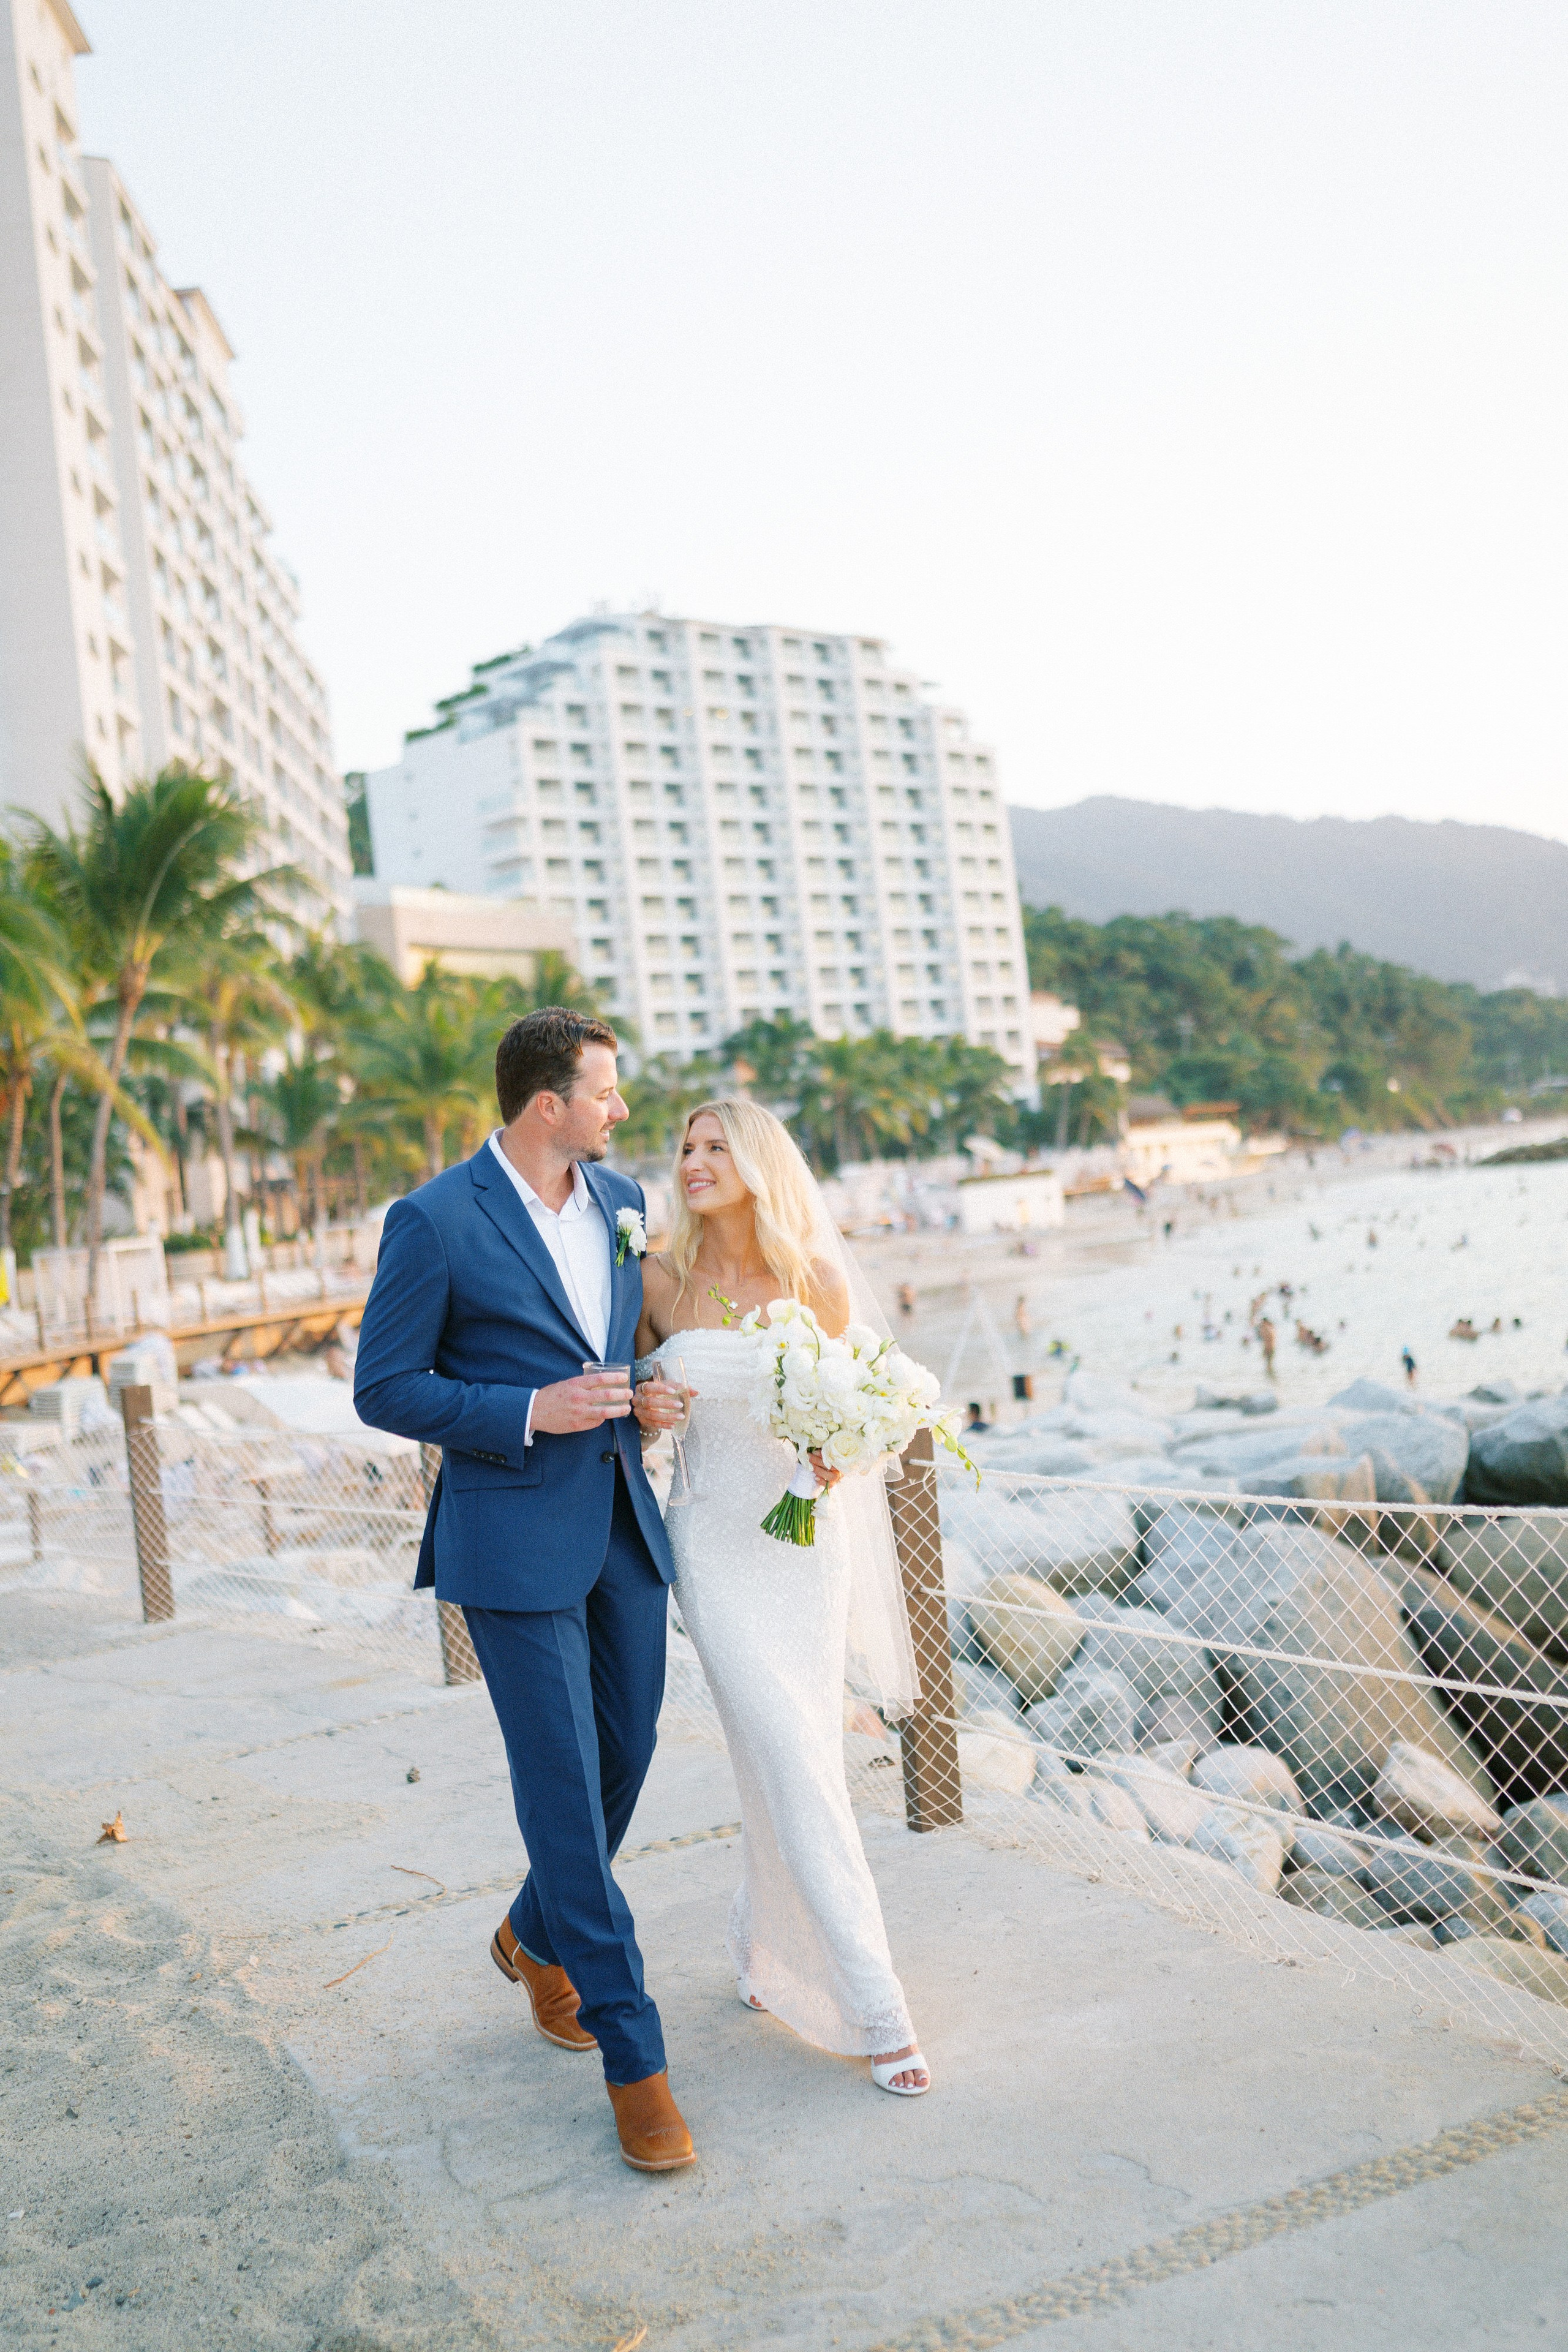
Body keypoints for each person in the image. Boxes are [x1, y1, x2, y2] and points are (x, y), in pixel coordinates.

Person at [353, 1009, 694, 2176]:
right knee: (559, 1784)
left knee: (629, 1749)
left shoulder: (624, 1200)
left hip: (616, 1521)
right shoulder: (436, 1219)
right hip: (506, 1536)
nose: (621, 1111)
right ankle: (633, 2058)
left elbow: (624, 1339)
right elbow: (385, 1387)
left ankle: (530, 1931)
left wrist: (643, 1391)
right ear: (548, 1102)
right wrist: (524, 1412)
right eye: (605, 1091)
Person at [633, 1099, 930, 2097]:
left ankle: (766, 1945)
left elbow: (857, 1424)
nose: (695, 1161)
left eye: (718, 1146)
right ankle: (878, 2008)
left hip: (804, 1552)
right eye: (687, 1147)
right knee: (791, 1752)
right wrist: (648, 1395)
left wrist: (834, 1456)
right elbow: (638, 1403)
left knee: (792, 1757)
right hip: (713, 1544)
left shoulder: (817, 1281)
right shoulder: (658, 1281)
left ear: (761, 1164)